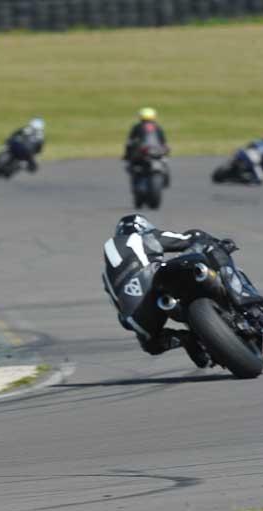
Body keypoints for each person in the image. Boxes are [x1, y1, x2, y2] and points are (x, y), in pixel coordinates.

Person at [102, 214, 222, 367]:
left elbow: (122, 316)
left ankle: (185, 339)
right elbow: (186, 239)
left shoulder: (107, 275)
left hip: (137, 316)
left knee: (151, 344)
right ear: (142, 227)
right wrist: (213, 242)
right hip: (155, 279)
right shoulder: (141, 237)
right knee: (199, 245)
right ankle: (236, 297)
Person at [123, 108, 170, 186]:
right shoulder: (157, 127)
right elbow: (163, 141)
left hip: (145, 151)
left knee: (132, 161)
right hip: (156, 150)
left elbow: (130, 141)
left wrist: (127, 155)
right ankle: (165, 177)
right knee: (164, 160)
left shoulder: (137, 126)